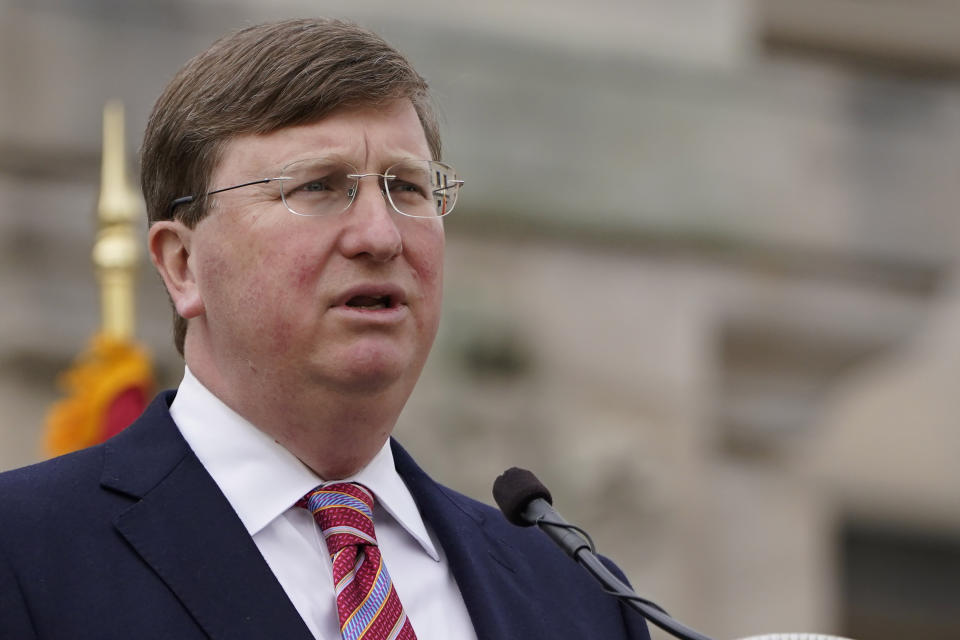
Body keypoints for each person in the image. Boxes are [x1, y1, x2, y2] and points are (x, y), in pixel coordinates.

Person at [0, 18, 651, 640]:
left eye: (409, 188)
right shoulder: (26, 554)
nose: (381, 235)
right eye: (318, 187)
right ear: (183, 263)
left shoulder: (580, 597)